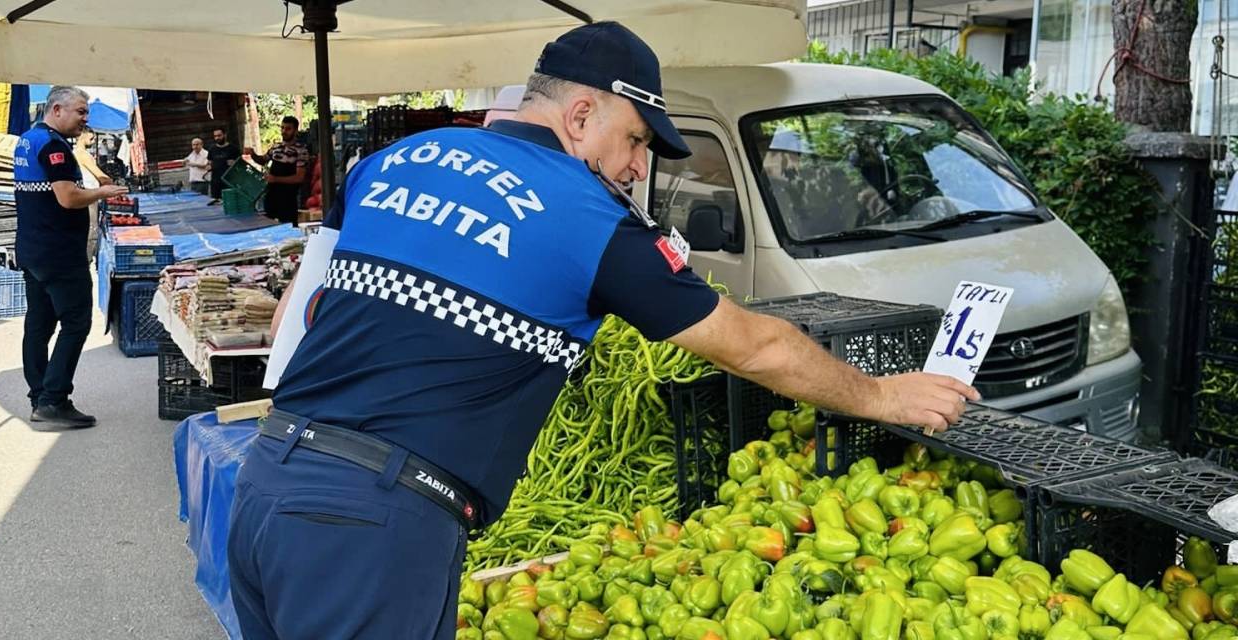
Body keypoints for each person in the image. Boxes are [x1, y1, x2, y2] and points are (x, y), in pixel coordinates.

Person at [227, 22, 978, 639]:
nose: (638, 166)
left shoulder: (391, 161)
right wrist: (885, 397)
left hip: (266, 480)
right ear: (582, 115)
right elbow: (757, 347)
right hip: (372, 525)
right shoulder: (586, 218)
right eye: (637, 139)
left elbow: (303, 306)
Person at [14, 86, 128, 428]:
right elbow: (67, 197)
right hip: (58, 253)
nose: (85, 119)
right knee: (76, 322)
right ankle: (53, 400)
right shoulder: (53, 146)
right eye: (80, 111)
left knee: (39, 324)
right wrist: (102, 192)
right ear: (57, 110)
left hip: (33, 248)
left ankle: (39, 396)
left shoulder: (28, 139)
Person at [250, 116, 308, 225]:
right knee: (269, 225)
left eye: (288, 129)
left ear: (295, 130)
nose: (284, 131)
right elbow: (263, 160)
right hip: (272, 194)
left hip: (288, 197)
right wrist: (253, 154)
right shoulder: (276, 147)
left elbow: (299, 177)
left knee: (288, 227)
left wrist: (275, 179)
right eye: (282, 128)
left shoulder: (301, 150)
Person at [71, 127, 113, 259]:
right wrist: (112, 185)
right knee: (91, 229)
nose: (94, 139)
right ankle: (87, 260)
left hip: (83, 193)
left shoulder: (74, 152)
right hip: (89, 194)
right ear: (82, 135)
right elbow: (99, 175)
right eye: (91, 136)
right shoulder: (82, 154)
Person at [206, 128, 240, 205]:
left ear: (225, 135)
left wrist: (235, 163)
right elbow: (209, 162)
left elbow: (241, 164)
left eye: (219, 135)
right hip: (216, 182)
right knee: (216, 204)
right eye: (215, 136)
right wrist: (208, 166)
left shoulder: (233, 148)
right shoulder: (212, 149)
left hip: (229, 181)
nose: (217, 138)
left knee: (230, 202)